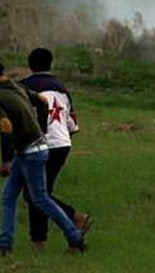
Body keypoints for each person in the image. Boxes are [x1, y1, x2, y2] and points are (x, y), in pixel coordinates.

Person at [0, 59, 86, 255]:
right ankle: (4, 245)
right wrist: (41, 128)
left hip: (29, 153)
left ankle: (75, 237)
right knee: (8, 196)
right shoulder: (16, 86)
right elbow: (42, 101)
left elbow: (5, 126)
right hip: (32, 149)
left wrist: (6, 161)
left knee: (41, 199)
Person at [19, 48, 91, 250]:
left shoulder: (24, 87)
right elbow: (72, 125)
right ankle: (40, 241)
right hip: (62, 144)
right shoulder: (62, 88)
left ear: (30, 65)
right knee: (39, 193)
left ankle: (73, 219)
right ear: (51, 64)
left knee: (36, 194)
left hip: (40, 144)